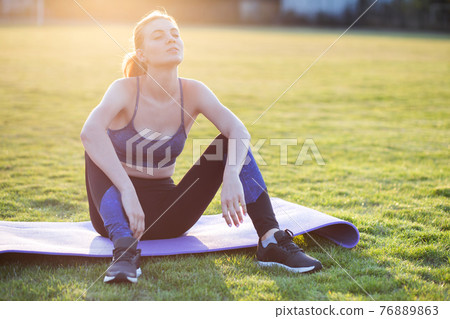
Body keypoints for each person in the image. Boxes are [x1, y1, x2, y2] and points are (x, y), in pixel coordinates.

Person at [80, 10, 322, 283]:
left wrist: (231, 176)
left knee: (231, 142)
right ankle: (124, 253)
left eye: (175, 34)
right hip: (114, 216)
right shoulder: (124, 89)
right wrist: (127, 189)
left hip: (168, 215)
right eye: (158, 36)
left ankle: (270, 240)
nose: (171, 39)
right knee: (95, 144)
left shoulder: (194, 91)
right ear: (142, 54)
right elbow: (89, 133)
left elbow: (238, 130)